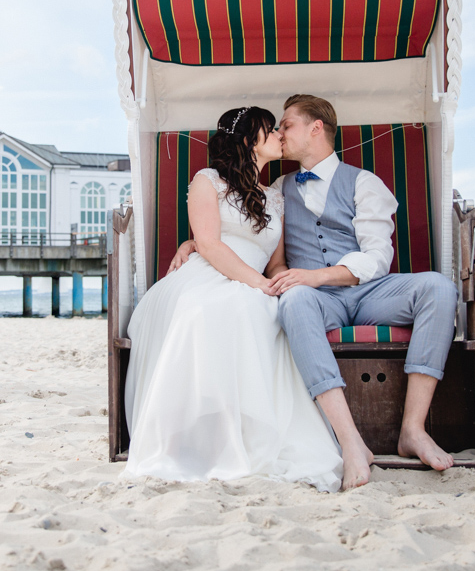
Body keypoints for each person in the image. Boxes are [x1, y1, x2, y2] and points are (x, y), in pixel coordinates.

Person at [171, 94, 458, 490]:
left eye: (286, 124)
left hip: (370, 292)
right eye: (275, 128)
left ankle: (413, 429)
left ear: (315, 128)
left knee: (439, 289)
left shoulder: (363, 182)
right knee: (294, 299)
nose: (279, 133)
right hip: (316, 300)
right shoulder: (276, 189)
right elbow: (243, 231)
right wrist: (192, 244)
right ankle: (349, 441)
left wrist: (317, 275)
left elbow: (378, 258)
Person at [122, 106, 343, 491]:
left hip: (255, 281)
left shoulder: (274, 198)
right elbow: (207, 243)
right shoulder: (207, 181)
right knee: (216, 309)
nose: (277, 134)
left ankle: (250, 430)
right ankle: (195, 434)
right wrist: (254, 282)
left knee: (268, 312)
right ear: (248, 141)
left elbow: (276, 262)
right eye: (269, 129)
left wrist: (279, 282)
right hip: (210, 275)